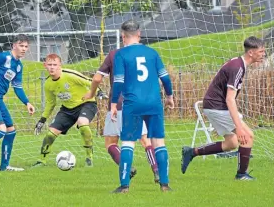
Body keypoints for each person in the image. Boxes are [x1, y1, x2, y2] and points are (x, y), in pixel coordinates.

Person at [181, 36, 265, 180]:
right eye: (261, 51)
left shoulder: (238, 63)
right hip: (217, 107)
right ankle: (241, 175)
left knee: (231, 143)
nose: (263, 54)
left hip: (215, 106)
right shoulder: (238, 67)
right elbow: (230, 99)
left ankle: (192, 152)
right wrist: (238, 127)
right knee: (248, 136)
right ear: (251, 52)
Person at [110, 20, 174, 193]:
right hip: (154, 103)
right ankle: (165, 184)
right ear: (139, 34)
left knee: (128, 142)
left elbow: (118, 82)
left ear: (123, 36)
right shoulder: (152, 53)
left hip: (132, 104)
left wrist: (114, 103)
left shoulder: (121, 55)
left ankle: (124, 186)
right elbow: (165, 78)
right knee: (158, 142)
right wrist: (169, 96)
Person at [84, 49, 159, 183]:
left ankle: (128, 168)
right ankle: (157, 170)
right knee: (145, 141)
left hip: (117, 105)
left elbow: (96, 78)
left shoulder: (113, 54)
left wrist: (91, 93)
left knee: (111, 143)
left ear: (123, 37)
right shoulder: (144, 54)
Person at [33, 54, 98, 167]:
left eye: (55, 64)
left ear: (60, 65)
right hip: (67, 109)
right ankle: (41, 161)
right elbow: (51, 103)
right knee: (50, 134)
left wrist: (97, 92)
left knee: (83, 124)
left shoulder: (70, 75)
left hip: (86, 104)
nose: (52, 67)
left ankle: (89, 158)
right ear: (45, 65)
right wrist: (42, 120)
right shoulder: (48, 84)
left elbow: (91, 81)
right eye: (49, 64)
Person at [0, 34, 35, 171]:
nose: (24, 49)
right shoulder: (3, 57)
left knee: (10, 131)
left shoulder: (18, 66)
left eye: (26, 46)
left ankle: (4, 166)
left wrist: (27, 103)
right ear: (14, 45)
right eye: (21, 45)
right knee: (0, 130)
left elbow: (17, 87)